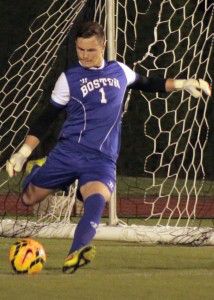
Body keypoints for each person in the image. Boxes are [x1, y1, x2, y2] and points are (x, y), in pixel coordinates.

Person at [6, 21, 211, 274]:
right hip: (68, 153)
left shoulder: (119, 71)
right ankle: (38, 169)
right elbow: (47, 117)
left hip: (102, 159)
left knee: (96, 201)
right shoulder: (69, 78)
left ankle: (75, 254)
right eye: (80, 50)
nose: (84, 56)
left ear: (103, 45)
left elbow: (147, 83)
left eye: (90, 50)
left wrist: (183, 84)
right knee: (28, 198)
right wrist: (23, 153)